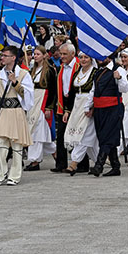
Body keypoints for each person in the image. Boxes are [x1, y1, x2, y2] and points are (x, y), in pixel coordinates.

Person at [0, 46, 33, 186]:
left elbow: (29, 96)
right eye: (2, 56)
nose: (2, 58)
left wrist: (15, 82)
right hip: (3, 112)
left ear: (13, 57)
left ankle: (15, 175)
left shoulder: (24, 74)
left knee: (17, 144)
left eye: (5, 56)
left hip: (16, 111)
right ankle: (1, 173)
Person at [90, 56, 125, 177]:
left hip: (113, 107)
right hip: (100, 109)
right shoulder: (98, 72)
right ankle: (116, 166)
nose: (99, 59)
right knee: (105, 136)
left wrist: (119, 78)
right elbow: (93, 90)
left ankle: (99, 165)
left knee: (107, 135)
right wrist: (88, 106)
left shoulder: (118, 69)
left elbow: (125, 88)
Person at [63, 51, 97, 175]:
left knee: (85, 134)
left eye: (86, 57)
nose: (83, 60)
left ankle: (74, 162)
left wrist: (93, 107)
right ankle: (100, 160)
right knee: (90, 137)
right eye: (81, 57)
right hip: (77, 106)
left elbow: (97, 91)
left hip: (89, 105)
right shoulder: (77, 73)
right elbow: (72, 93)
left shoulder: (94, 73)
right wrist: (67, 110)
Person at [24, 46, 57, 171]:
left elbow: (53, 90)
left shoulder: (49, 71)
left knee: (38, 130)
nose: (35, 56)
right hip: (33, 101)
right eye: (34, 54)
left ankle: (35, 160)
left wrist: (49, 107)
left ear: (44, 55)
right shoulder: (32, 70)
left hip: (43, 101)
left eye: (38, 54)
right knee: (40, 132)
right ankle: (56, 155)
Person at [51, 43, 79, 173]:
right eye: (61, 54)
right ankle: (60, 163)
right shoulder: (61, 68)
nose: (62, 57)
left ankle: (79, 163)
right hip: (62, 103)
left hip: (75, 102)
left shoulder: (79, 66)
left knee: (76, 134)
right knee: (61, 135)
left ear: (73, 54)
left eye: (64, 54)